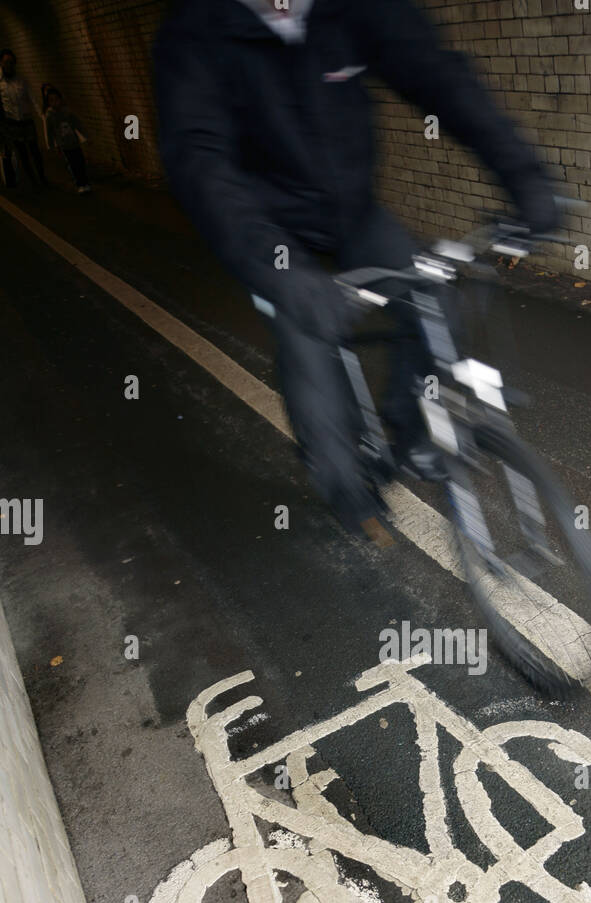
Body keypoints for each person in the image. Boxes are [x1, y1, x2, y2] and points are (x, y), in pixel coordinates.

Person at [155, 0, 558, 533]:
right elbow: (200, 163)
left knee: (434, 295)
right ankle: (346, 489)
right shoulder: (196, 31)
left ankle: (414, 432)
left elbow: (438, 78)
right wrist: (280, 275)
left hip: (353, 212)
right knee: (309, 341)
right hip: (270, 231)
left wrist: (525, 178)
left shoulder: (348, 9)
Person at [0, 49, 46, 190]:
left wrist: (41, 115)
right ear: (1, 63)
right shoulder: (0, 83)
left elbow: (31, 98)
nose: (9, 65)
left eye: (12, 62)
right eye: (6, 62)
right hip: (12, 122)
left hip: (26, 120)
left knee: (34, 150)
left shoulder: (21, 80)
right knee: (22, 153)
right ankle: (33, 180)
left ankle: (42, 178)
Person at [44, 87, 90, 193]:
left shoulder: (67, 112)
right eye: (51, 100)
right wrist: (51, 145)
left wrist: (85, 135)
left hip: (74, 142)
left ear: (60, 99)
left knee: (80, 162)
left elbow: (77, 124)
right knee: (73, 164)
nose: (55, 103)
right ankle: (80, 184)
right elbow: (49, 131)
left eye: (56, 99)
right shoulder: (50, 116)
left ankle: (85, 182)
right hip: (64, 145)